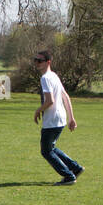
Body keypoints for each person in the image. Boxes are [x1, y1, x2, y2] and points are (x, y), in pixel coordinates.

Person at [33, 50, 83, 185]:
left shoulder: (45, 78)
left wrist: (38, 110)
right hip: (60, 118)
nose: (37, 63)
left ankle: (69, 176)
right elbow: (65, 96)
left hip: (52, 119)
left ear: (48, 62)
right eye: (35, 60)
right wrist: (71, 118)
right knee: (52, 148)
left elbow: (50, 101)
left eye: (40, 61)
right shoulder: (54, 76)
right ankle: (75, 168)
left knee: (46, 151)